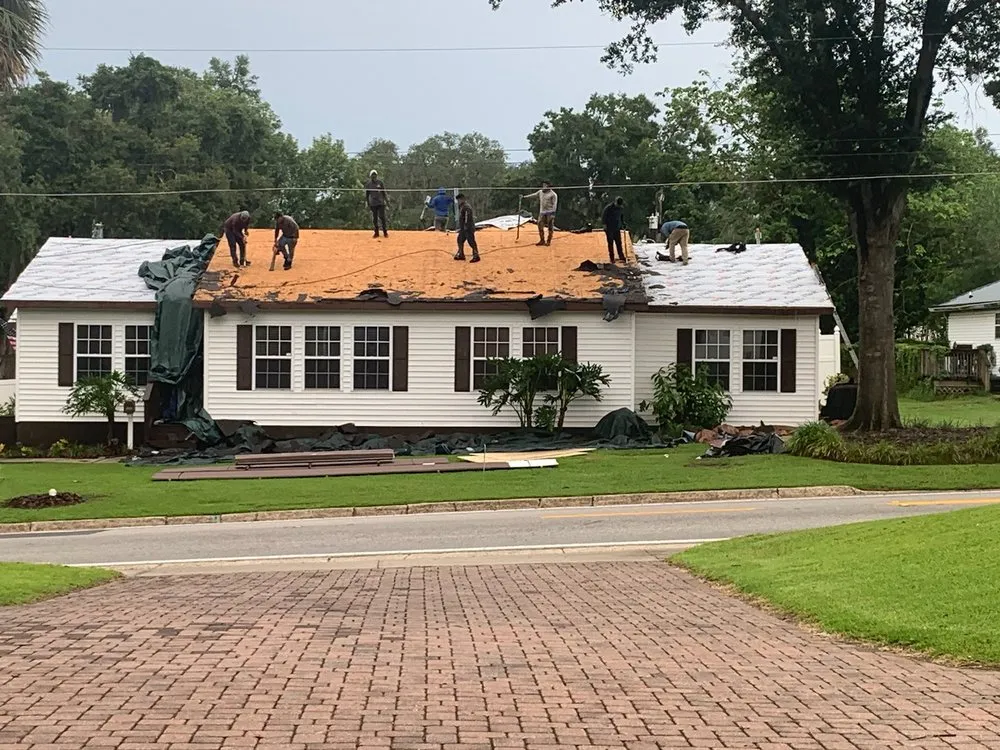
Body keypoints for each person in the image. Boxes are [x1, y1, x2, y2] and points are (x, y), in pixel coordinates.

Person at [523, 181, 558, 246]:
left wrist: (553, 214)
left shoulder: (553, 194)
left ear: (548, 187)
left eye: (544, 185)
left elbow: (554, 205)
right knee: (540, 225)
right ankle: (542, 240)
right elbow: (533, 195)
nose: (543, 187)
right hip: (542, 212)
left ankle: (548, 241)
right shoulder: (540, 192)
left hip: (550, 212)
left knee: (550, 227)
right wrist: (524, 197)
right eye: (543, 185)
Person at [453, 193, 480, 263]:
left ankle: (476, 255)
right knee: (460, 240)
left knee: (471, 241)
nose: (458, 201)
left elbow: (467, 217)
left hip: (468, 228)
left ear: (462, 199)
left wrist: (466, 226)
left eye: (459, 200)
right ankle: (461, 254)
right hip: (463, 228)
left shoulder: (466, 207)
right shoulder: (461, 206)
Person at [602, 196, 626, 264]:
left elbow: (621, 217)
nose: (618, 206)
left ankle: (621, 257)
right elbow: (604, 216)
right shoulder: (608, 208)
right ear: (615, 202)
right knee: (610, 243)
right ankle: (612, 258)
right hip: (609, 228)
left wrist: (623, 223)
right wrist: (604, 225)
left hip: (617, 228)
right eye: (617, 204)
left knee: (619, 243)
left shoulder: (620, 208)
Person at [365, 170, 389, 238]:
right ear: (370, 176)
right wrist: (367, 203)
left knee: (382, 217)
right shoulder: (368, 184)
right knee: (375, 218)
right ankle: (376, 233)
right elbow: (367, 195)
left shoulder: (380, 183)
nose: (374, 176)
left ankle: (385, 232)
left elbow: (384, 193)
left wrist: (387, 202)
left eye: (375, 174)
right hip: (373, 204)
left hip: (380, 203)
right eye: (372, 175)